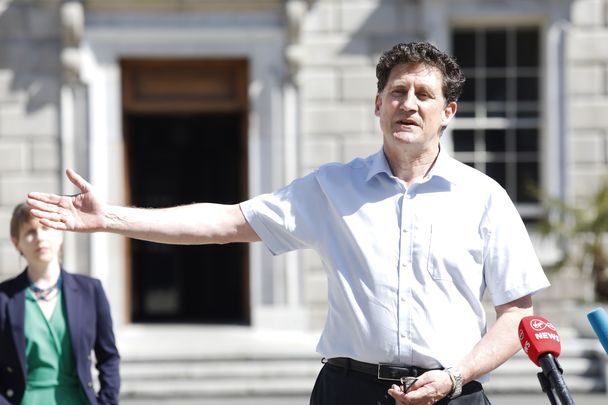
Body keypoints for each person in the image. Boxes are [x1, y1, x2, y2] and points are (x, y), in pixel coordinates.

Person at [27, 41, 550, 405]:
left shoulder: (484, 198)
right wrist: (109, 217)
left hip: (452, 395)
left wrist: (454, 377)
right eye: (396, 92)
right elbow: (228, 221)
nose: (407, 104)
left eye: (423, 94)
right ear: (377, 105)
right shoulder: (330, 188)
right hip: (348, 393)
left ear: (448, 111)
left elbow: (515, 316)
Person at [0, 203, 120, 405]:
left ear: (61, 234)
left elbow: (108, 357)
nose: (40, 237)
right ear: (16, 242)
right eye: (30, 232)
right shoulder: (3, 297)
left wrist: (107, 402)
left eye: (46, 228)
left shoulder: (91, 290)